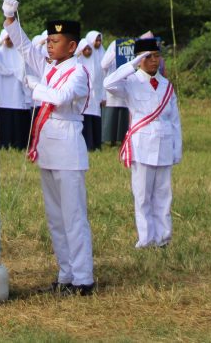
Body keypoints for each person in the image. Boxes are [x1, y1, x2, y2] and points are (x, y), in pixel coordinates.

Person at [2, 0, 94, 296]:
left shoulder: (78, 72)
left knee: (73, 217)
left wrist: (33, 86)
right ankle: (66, 274)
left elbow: (59, 98)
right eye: (50, 40)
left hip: (68, 148)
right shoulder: (50, 67)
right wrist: (12, 19)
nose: (50, 45)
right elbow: (26, 48)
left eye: (56, 41)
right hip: (49, 149)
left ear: (72, 46)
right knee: (56, 219)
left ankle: (83, 278)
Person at [104, 38, 182, 248]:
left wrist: (177, 149)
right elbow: (108, 83)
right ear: (139, 59)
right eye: (148, 57)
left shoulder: (167, 85)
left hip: (164, 142)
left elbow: (174, 120)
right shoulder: (130, 82)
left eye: (156, 56)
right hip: (142, 145)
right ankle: (146, 239)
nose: (153, 61)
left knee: (163, 195)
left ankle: (163, 238)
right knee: (143, 195)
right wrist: (131, 64)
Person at [0, 28, 32, 149]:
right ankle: (4, 145)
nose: (9, 41)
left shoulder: (19, 53)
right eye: (7, 38)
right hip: (4, 94)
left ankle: (20, 145)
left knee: (18, 121)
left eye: (11, 38)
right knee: (6, 121)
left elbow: (25, 70)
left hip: (18, 93)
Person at [76, 35, 104, 152]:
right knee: (85, 121)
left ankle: (96, 145)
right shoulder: (78, 62)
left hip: (95, 97)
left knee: (95, 120)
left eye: (89, 49)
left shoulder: (96, 61)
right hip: (83, 97)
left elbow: (101, 79)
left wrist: (102, 96)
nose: (88, 51)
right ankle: (87, 145)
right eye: (85, 49)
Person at [100, 38, 130, 147]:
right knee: (112, 115)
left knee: (123, 115)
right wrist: (114, 52)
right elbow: (103, 65)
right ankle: (110, 139)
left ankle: (121, 139)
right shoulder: (111, 55)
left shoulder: (127, 56)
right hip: (112, 88)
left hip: (125, 86)